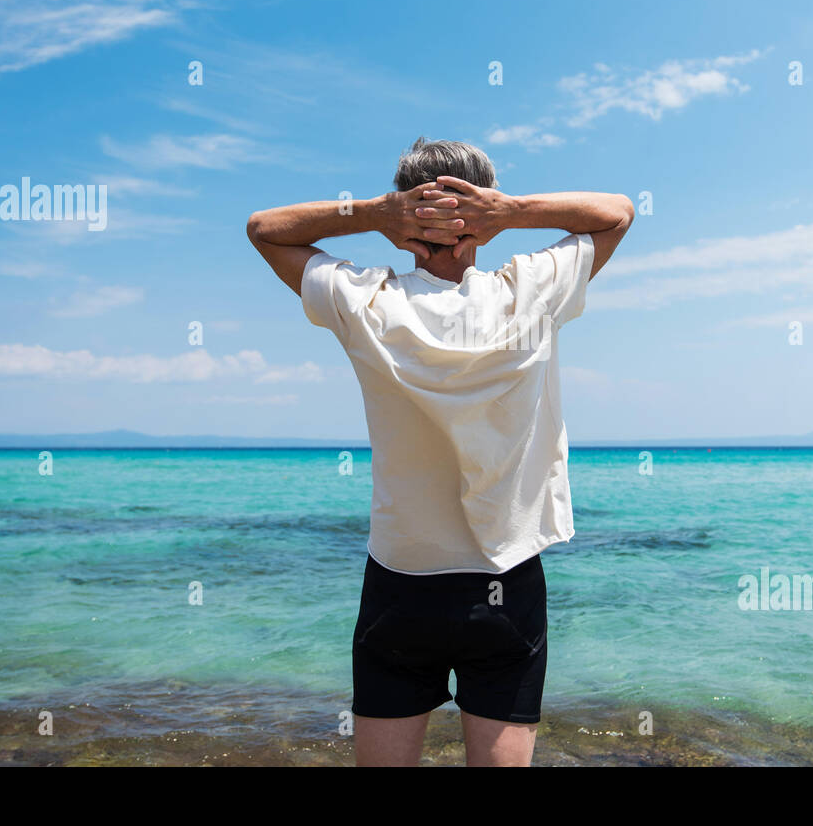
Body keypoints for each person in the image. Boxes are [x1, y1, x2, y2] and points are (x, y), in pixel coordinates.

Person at [246, 137, 633, 766]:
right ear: (479, 218)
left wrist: (374, 213)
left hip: (400, 582)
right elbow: (617, 211)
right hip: (505, 578)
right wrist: (510, 211)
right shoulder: (531, 290)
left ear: (405, 221)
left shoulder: (364, 301)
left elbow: (265, 229)